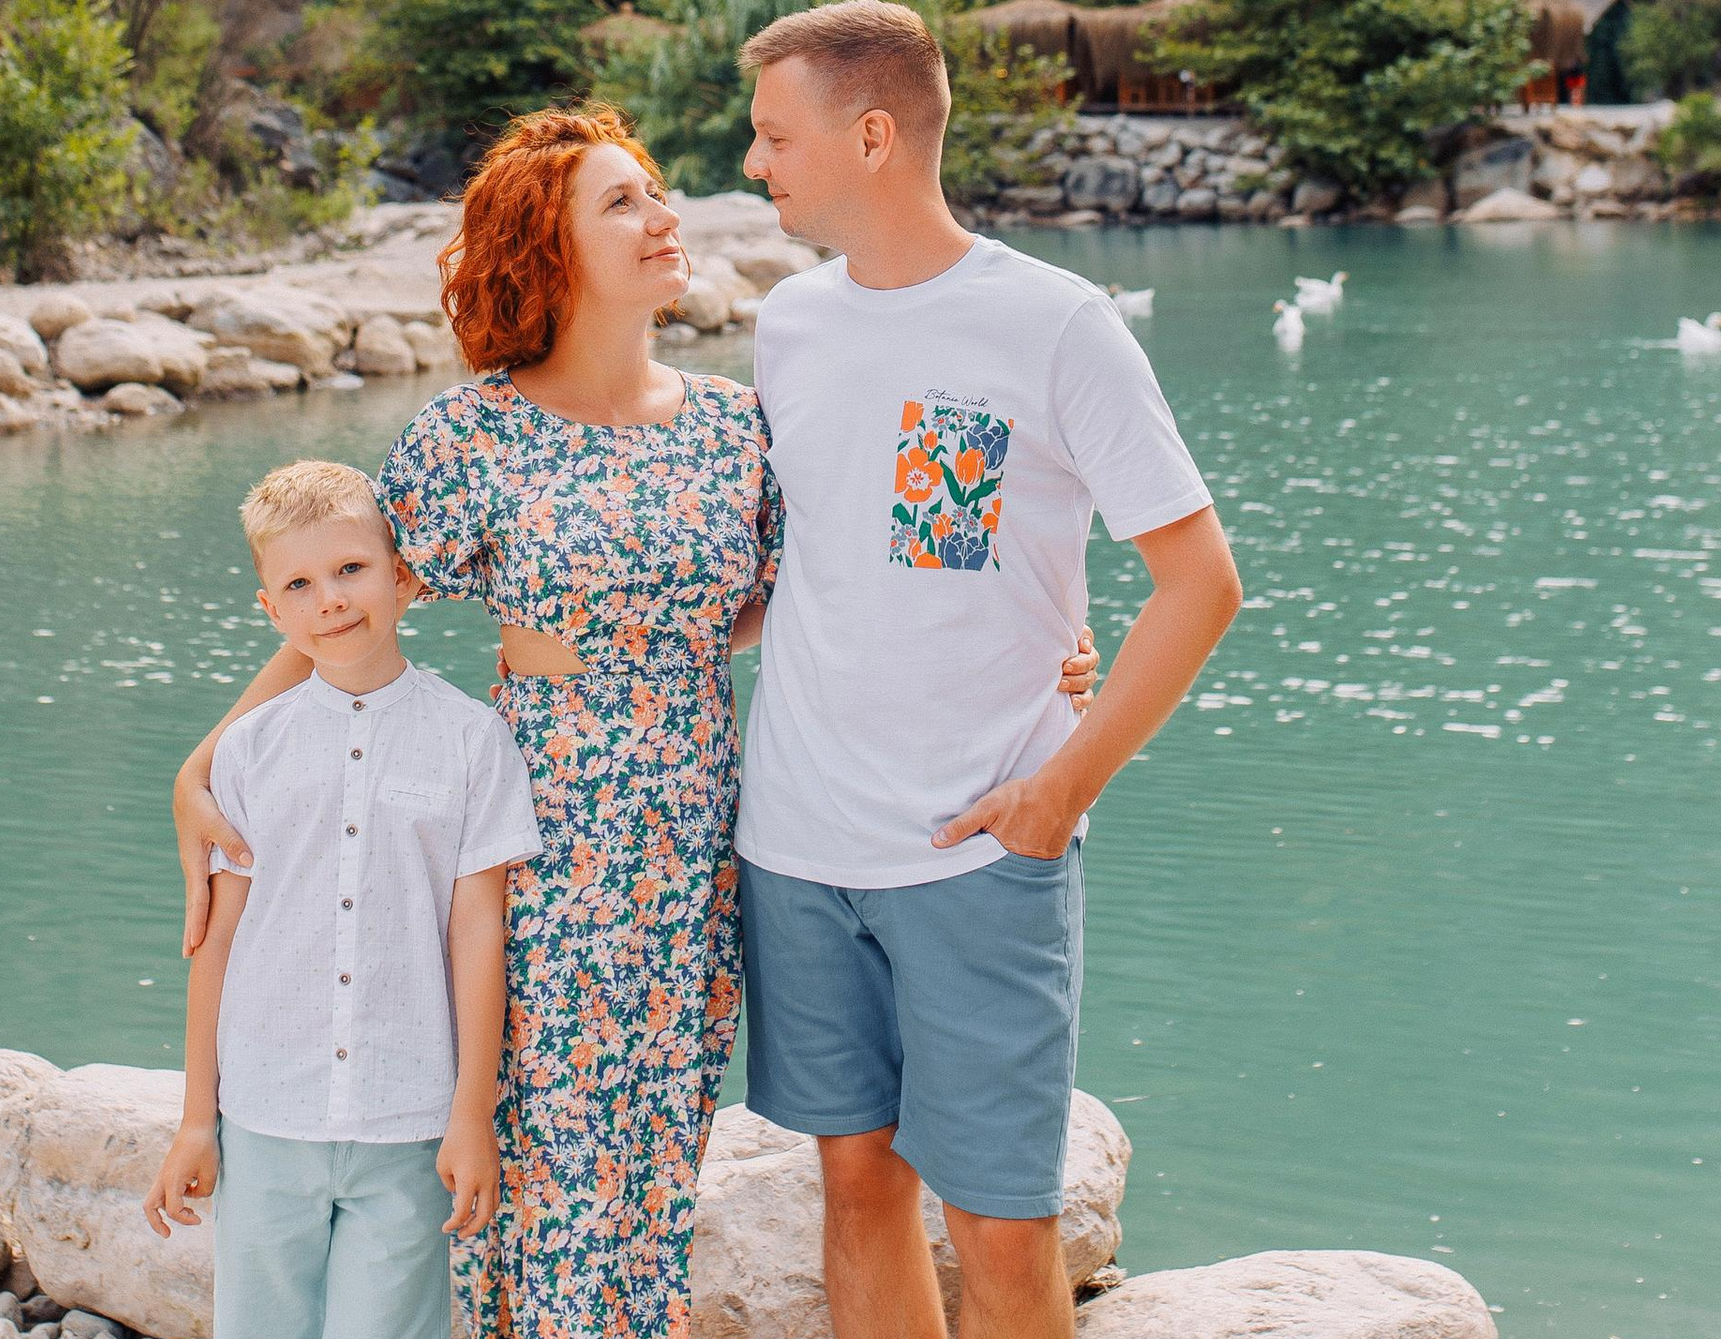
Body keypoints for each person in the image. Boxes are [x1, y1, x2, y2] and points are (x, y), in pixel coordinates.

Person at [174, 105, 1094, 1339]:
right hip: (531, 839)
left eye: (657, 192)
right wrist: (210, 761)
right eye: (623, 202)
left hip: (696, 841)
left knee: (648, 1173)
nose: (665, 216)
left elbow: (829, 594)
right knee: (534, 1166)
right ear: (547, 251)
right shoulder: (471, 435)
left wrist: (1032, 656)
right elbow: (333, 607)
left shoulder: (730, 425)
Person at [735, 0, 1243, 1339]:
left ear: (876, 134)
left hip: (979, 853)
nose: (753, 163)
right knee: (854, 1185)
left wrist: (1060, 791)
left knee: (1005, 1230)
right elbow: (817, 563)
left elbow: (1201, 585)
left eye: (775, 135)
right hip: (794, 847)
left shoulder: (1058, 326)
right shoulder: (789, 326)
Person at [145, 459, 540, 1339]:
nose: (331, 599)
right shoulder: (246, 752)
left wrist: (470, 1116)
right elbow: (216, 942)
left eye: (351, 570)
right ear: (271, 612)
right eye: (299, 583)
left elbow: (478, 933)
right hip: (265, 1114)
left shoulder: (474, 741)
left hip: (406, 1118)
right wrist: (195, 1121)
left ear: (402, 577)